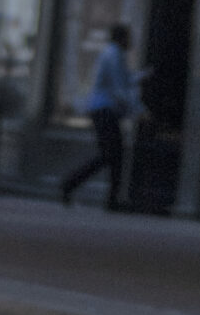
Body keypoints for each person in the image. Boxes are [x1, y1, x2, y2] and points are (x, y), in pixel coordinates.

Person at [60, 24, 141, 210]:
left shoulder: (114, 54)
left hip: (104, 110)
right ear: (121, 38)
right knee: (111, 155)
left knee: (111, 155)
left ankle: (107, 197)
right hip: (104, 110)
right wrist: (138, 110)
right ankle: (73, 185)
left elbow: (124, 80)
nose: (132, 42)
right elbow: (119, 88)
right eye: (129, 37)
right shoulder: (113, 55)